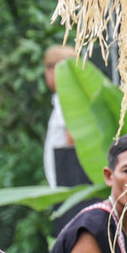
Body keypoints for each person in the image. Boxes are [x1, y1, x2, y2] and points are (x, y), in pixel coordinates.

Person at [43, 44, 78, 189]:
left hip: (67, 180)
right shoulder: (65, 97)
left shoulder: (68, 98)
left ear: (53, 69)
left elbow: (72, 136)